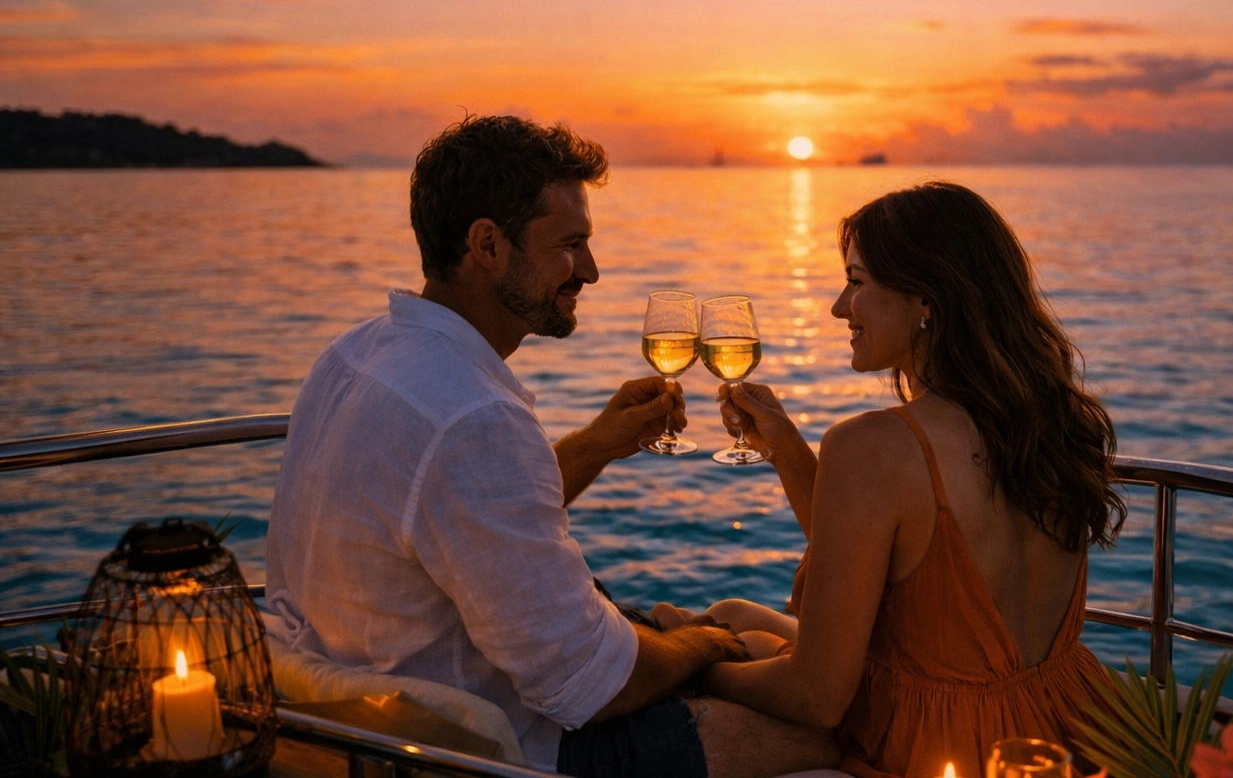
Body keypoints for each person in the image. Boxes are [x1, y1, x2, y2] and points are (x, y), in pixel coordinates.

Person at [266, 116, 838, 778]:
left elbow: (460, 528)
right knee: (829, 736)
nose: (591, 270)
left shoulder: (356, 355)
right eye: (570, 244)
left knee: (747, 643)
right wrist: (703, 647)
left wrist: (596, 445)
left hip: (361, 705)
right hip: (508, 745)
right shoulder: (472, 417)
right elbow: (594, 688)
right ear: (487, 244)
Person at [658, 182, 1125, 778]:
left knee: (710, 634)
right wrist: (785, 449)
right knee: (735, 612)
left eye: (856, 282)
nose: (837, 306)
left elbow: (817, 696)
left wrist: (690, 661)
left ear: (924, 300)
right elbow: (902, 560)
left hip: (941, 746)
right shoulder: (1053, 420)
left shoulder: (874, 446)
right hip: (1059, 723)